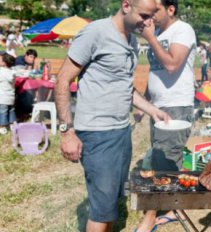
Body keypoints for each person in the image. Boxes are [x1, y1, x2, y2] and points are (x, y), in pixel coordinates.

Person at [54, 1, 169, 232]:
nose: (148, 24)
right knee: (101, 209)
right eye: (144, 16)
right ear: (126, 5)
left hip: (121, 131)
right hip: (97, 134)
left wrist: (152, 110)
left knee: (112, 203)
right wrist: (67, 132)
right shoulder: (95, 32)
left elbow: (124, 86)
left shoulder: (132, 39)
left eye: (152, 19)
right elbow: (62, 80)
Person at [136, 0, 196, 231]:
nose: (150, 14)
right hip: (159, 107)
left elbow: (171, 65)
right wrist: (144, 103)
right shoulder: (160, 32)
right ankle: (175, 207)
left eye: (155, 9)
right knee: (167, 158)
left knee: (163, 160)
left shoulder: (183, 29)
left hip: (176, 107)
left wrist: (150, 37)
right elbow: (156, 73)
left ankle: (151, 217)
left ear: (171, 9)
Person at [0, 53, 16, 135]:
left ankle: (2, 127)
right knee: (11, 111)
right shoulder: (13, 72)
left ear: (4, 63)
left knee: (3, 112)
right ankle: (12, 125)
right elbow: (13, 84)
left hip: (2, 98)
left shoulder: (1, 72)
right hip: (11, 97)